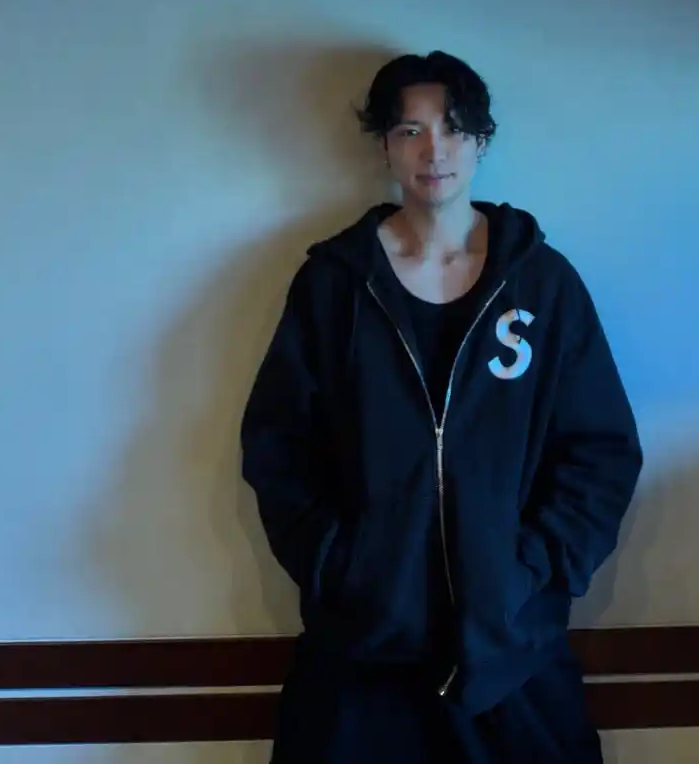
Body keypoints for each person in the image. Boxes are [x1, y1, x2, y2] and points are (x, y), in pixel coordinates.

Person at [240, 51, 642, 763]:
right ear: (385, 146)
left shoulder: (542, 285)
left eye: (454, 129)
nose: (435, 151)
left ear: (482, 141)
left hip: (510, 656)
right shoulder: (335, 286)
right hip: (362, 658)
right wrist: (342, 566)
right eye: (411, 131)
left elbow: (600, 451)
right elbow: (279, 447)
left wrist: (530, 571)